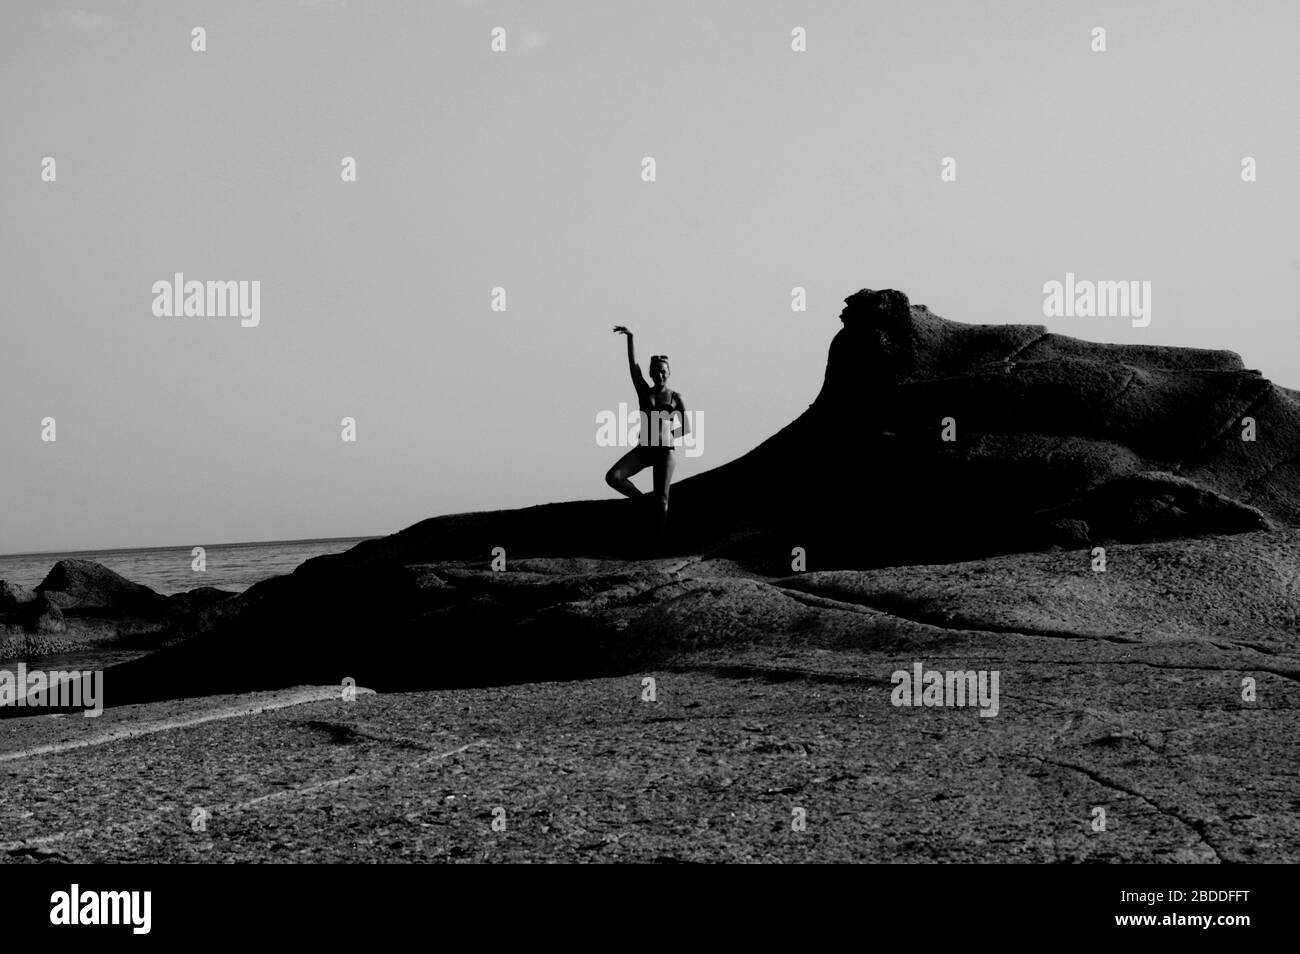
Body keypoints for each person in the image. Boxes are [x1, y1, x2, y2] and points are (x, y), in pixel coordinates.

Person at [606, 326, 688, 534]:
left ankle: (657, 539)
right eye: (656, 371)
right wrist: (631, 338)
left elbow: (685, 427)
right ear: (651, 373)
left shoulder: (675, 397)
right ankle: (642, 502)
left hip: (664, 451)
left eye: (663, 371)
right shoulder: (644, 392)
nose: (659, 374)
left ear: (669, 373)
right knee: (614, 477)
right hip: (643, 450)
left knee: (661, 499)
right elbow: (633, 366)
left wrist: (668, 438)